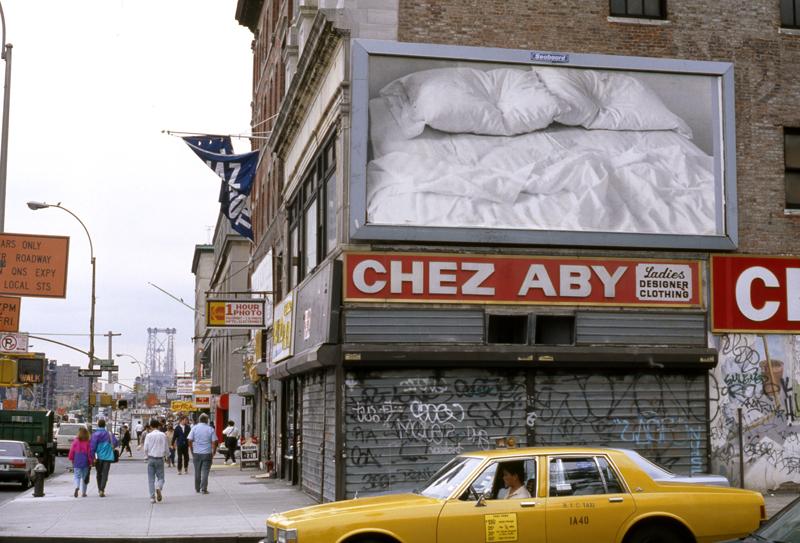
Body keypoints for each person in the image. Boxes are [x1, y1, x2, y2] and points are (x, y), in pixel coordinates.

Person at [187, 413, 217, 494]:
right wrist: (213, 451)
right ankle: (204, 489)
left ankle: (197, 488)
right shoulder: (210, 429)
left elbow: (189, 440)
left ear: (199, 420)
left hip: (196, 453)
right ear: (207, 420)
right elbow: (214, 441)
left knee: (197, 471)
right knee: (205, 471)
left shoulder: (194, 428)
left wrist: (192, 450)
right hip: (207, 453)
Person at [89, 419, 119, 497]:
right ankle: (102, 489)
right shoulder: (109, 434)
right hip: (108, 457)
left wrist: (93, 458)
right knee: (105, 474)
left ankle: (99, 489)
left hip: (98, 457)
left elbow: (92, 448)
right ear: (105, 425)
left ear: (98, 425)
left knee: (99, 473)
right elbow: (116, 443)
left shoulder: (95, 435)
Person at [143, 419, 169, 504]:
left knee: (151, 479)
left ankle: (152, 497)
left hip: (151, 458)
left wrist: (146, 456)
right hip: (160, 458)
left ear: (150, 426)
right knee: (161, 477)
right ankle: (159, 487)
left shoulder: (148, 435)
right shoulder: (163, 435)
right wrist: (167, 456)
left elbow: (145, 448)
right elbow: (166, 447)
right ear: (158, 426)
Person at [68, 426, 92, 498]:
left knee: (77, 476)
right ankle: (84, 493)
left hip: (77, 461)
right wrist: (90, 461)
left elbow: (72, 451)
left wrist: (71, 459)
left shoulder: (75, 441)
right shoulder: (88, 442)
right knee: (85, 477)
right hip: (85, 462)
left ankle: (77, 487)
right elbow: (89, 453)